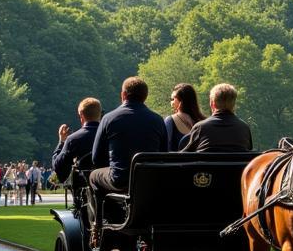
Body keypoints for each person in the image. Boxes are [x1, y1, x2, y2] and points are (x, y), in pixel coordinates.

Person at [87, 78, 166, 225]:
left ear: (123, 95)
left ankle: (98, 222)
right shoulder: (158, 120)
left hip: (120, 179)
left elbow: (96, 158)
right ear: (145, 96)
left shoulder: (109, 118)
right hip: (148, 180)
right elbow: (164, 154)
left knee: (93, 176)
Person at [180, 83, 253, 153]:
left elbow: (186, 155)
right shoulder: (244, 128)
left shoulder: (200, 128)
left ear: (212, 104)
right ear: (233, 104)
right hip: (238, 166)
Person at [52, 97, 102, 183]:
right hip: (106, 183)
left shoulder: (73, 139)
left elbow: (58, 166)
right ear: (100, 114)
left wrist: (62, 142)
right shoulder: (110, 135)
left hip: (84, 186)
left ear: (81, 115)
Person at [164, 83, 205, 151]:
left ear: (181, 101)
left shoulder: (170, 120)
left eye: (173, 99)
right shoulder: (203, 121)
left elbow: (166, 147)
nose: (171, 102)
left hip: (177, 161)